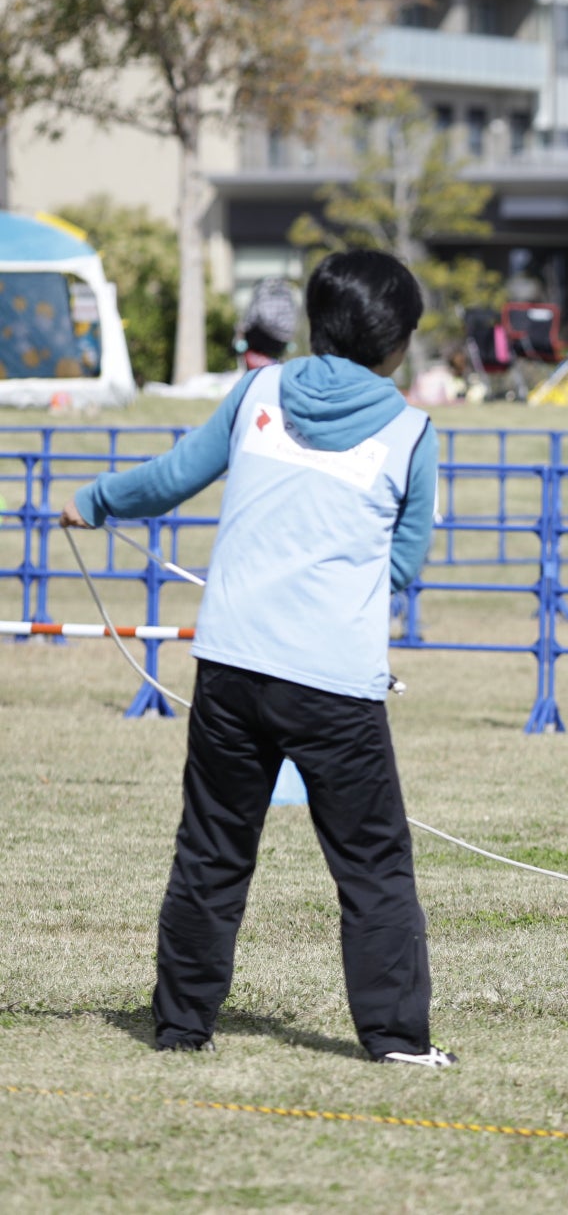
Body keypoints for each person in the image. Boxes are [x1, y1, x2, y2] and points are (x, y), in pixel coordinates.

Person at [59, 251, 453, 1064]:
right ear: (398, 343)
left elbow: (172, 477)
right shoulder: (411, 432)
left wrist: (93, 500)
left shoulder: (257, 392)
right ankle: (396, 1040)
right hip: (335, 683)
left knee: (212, 848)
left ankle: (179, 1027)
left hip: (232, 664)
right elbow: (403, 565)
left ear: (316, 322)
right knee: (372, 865)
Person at [233, 277, 301, 370]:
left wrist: (240, 334)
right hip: (282, 340)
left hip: (261, 338)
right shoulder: (286, 293)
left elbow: (250, 318)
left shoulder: (260, 293)